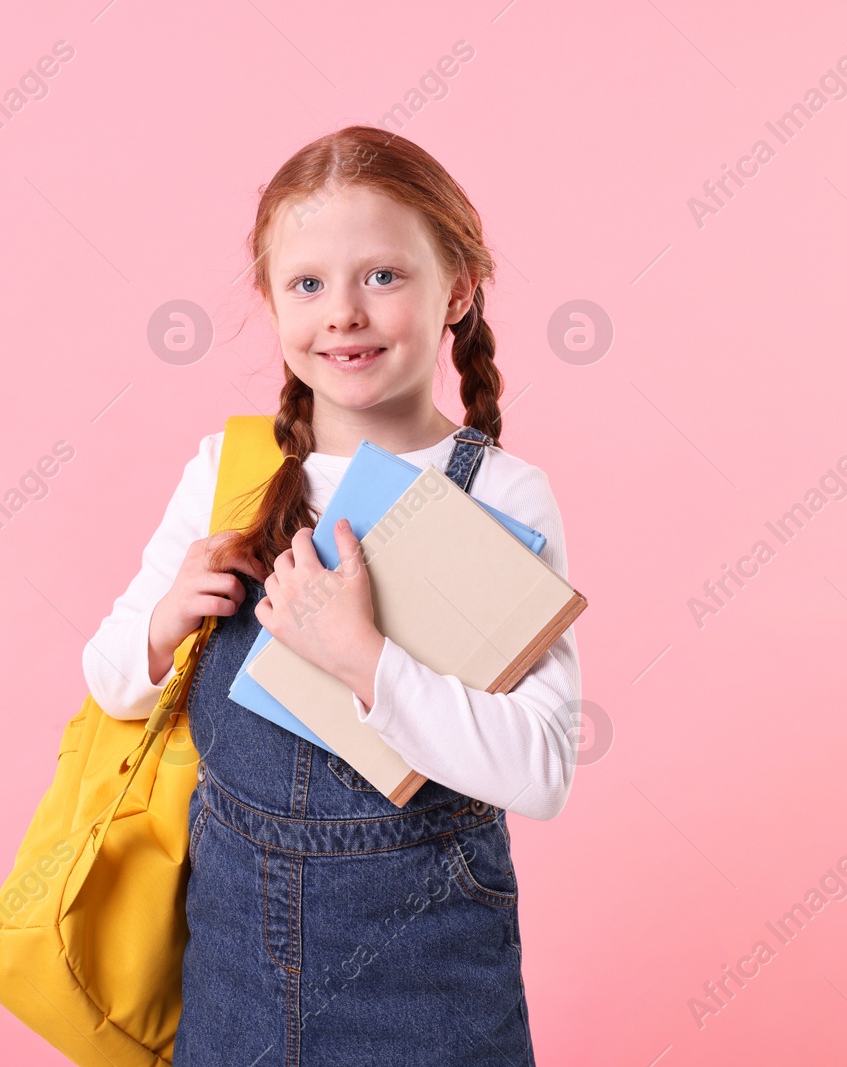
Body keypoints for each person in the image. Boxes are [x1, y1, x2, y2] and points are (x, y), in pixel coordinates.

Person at [83, 124, 581, 1065]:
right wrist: (168, 617)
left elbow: (542, 769)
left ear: (459, 291)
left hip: (429, 981)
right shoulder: (228, 472)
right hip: (233, 974)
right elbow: (111, 682)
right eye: (308, 284)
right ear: (271, 302)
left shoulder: (502, 496)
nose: (343, 313)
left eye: (383, 277)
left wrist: (366, 659)